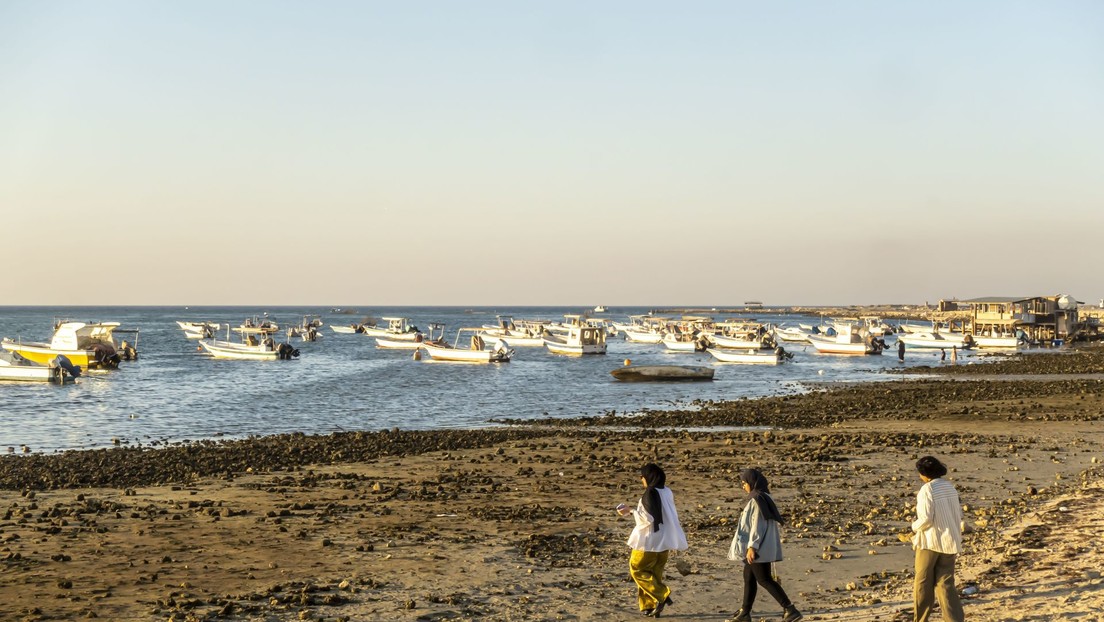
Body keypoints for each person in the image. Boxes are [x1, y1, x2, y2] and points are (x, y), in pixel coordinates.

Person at [728, 469, 803, 622]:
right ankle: (745, 612)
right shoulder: (763, 496)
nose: (743, 487)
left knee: (764, 579)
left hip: (758, 547)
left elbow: (757, 525)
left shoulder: (757, 499)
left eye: (744, 483)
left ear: (751, 483)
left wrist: (752, 547)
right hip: (762, 545)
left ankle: (790, 609)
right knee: (748, 576)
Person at [617, 463, 688, 618]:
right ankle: (648, 606)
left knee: (637, 569)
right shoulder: (667, 491)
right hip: (664, 542)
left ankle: (662, 595)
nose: (641, 479)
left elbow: (647, 519)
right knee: (654, 575)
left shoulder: (649, 493)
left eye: (642, 476)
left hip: (648, 542)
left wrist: (630, 511)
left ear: (648, 477)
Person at [911, 456, 965, 622]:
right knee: (945, 583)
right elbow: (958, 514)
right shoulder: (949, 487)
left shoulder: (927, 490)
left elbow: (926, 519)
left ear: (924, 474)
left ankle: (921, 619)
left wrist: (914, 527)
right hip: (951, 540)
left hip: (930, 541)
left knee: (922, 583)